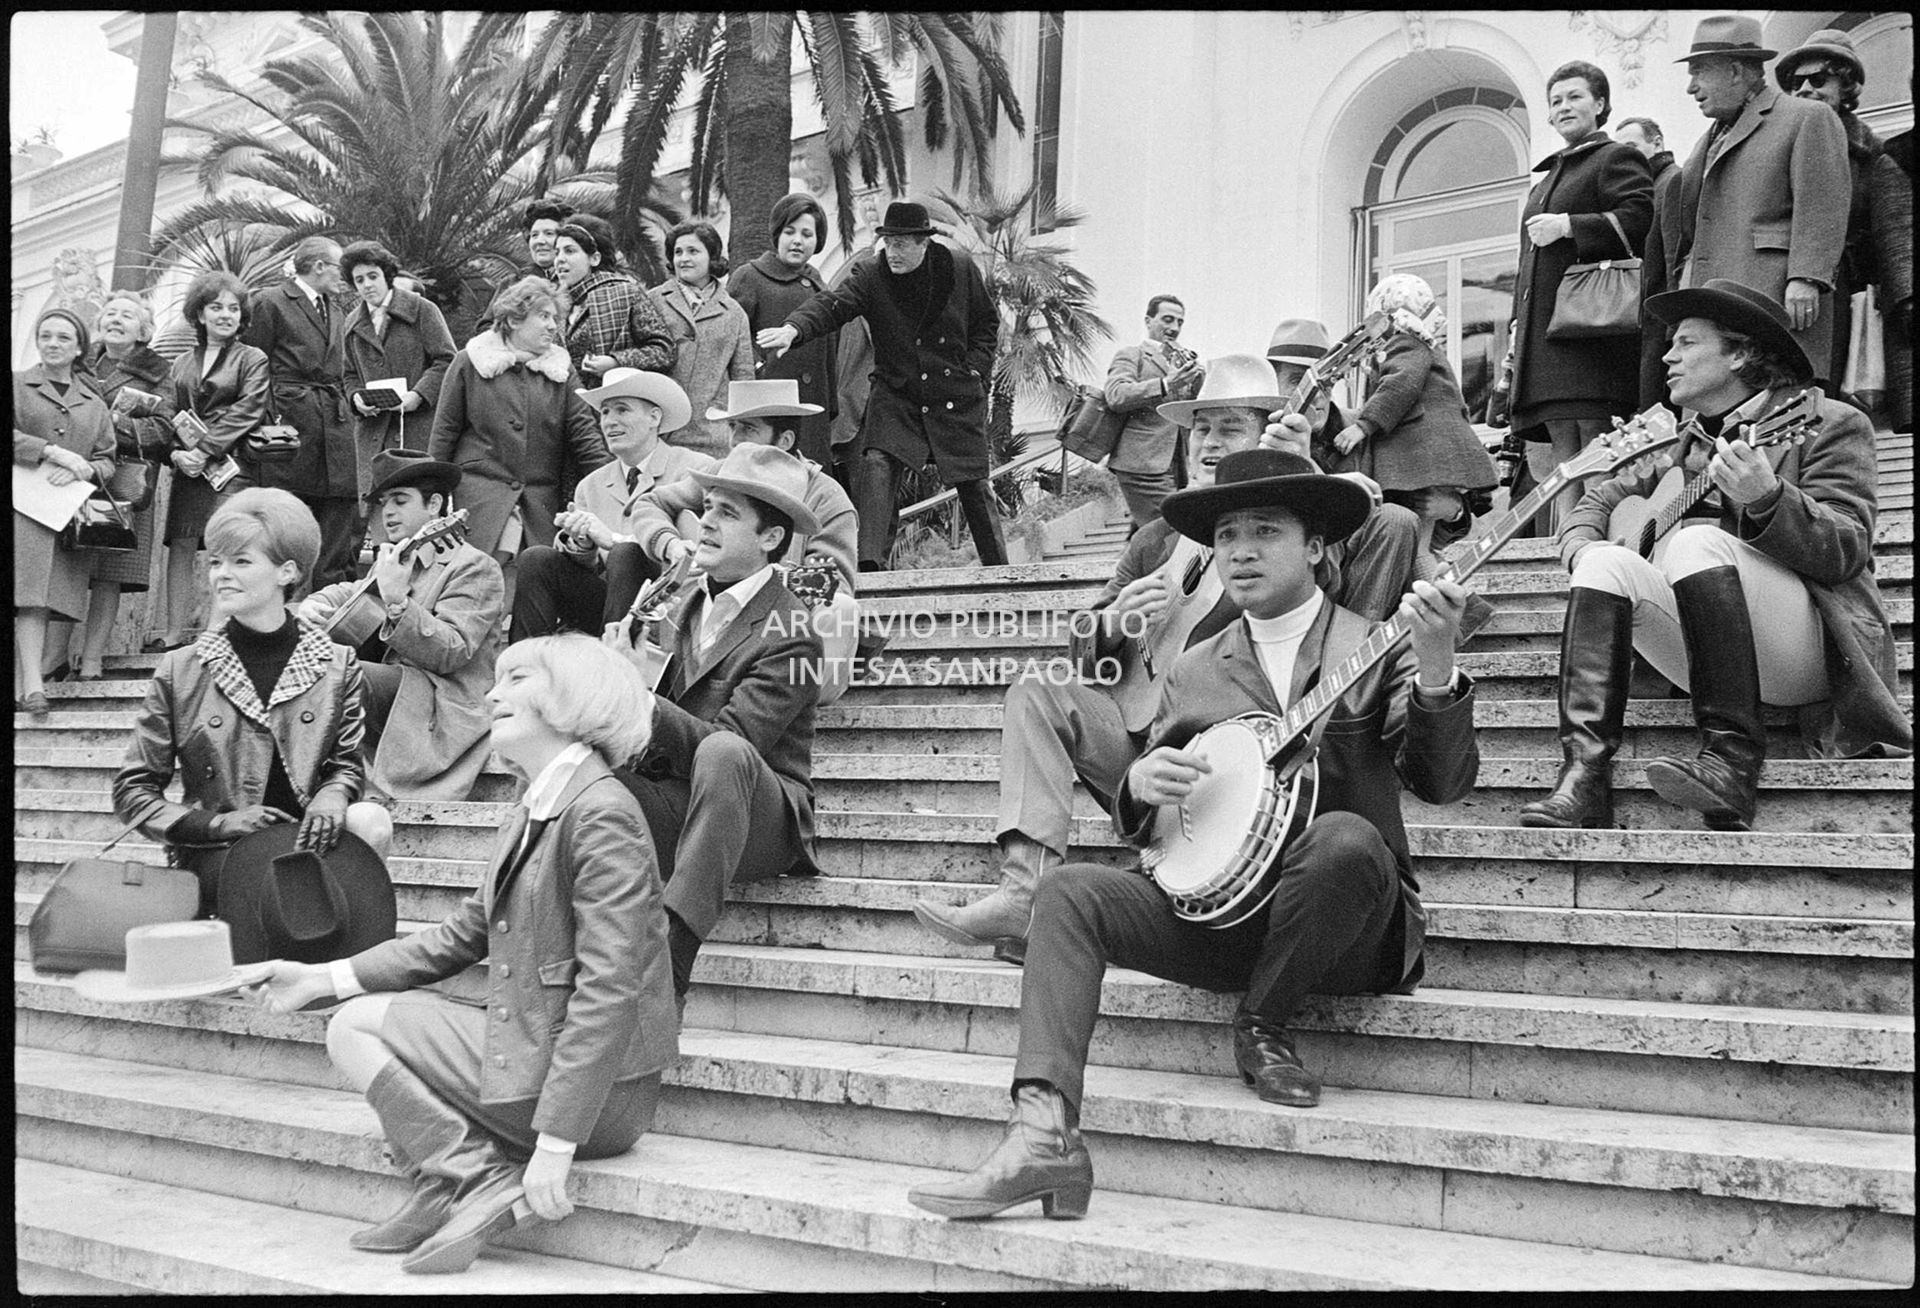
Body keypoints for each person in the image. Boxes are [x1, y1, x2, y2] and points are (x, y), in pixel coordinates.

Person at [906, 447, 1478, 1220]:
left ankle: (1262, 1022)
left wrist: (1438, 669)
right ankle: (1043, 1137)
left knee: (1344, 837)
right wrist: (1140, 791)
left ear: (1316, 547)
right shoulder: (1198, 665)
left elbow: (1442, 783)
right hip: (1224, 920)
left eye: (1266, 531)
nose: (1240, 550)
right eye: (1229, 534)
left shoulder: (1374, 643)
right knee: (1071, 892)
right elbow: (1165, 830)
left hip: (1345, 927)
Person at [914, 354, 1433, 958]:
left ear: (1268, 430)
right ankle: (1022, 894)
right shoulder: (1157, 537)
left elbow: (1340, 625)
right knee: (1035, 692)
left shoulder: (1306, 534)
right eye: (1201, 429)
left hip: (1244, 769)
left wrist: (1307, 472)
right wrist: (1113, 620)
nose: (1210, 444)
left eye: (1230, 428)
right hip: (1142, 747)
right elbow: (1086, 647)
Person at [253, 634, 678, 1275]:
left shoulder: (601, 812)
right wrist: (319, 977)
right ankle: (442, 1183)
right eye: (496, 680)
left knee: (357, 1027)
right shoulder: (538, 801)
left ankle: (471, 1176)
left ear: (575, 699)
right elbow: (460, 936)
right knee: (361, 1013)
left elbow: (610, 987)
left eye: (517, 679)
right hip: (547, 1059)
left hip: (600, 1098)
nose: (492, 693)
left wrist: (557, 1143)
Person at [1522, 280, 1911, 835]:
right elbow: (1595, 501)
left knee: (1692, 541)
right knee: (1605, 561)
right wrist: (1580, 546)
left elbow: (1847, 548)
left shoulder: (1827, 421)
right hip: (1701, 653)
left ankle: (1731, 762)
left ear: (1741, 352)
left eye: (1686, 342)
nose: (1667, 356)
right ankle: (1583, 775)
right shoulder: (1679, 443)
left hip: (1810, 654)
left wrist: (1769, 499)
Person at [605, 444, 826, 1006]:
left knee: (725, 753)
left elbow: (734, 744)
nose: (704, 521)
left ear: (770, 539)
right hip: (680, 799)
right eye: (708, 507)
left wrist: (638, 699)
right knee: (564, 759)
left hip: (759, 817)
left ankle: (672, 961)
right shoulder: (677, 601)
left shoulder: (793, 628)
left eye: (728, 513)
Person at [112, 488, 393, 919]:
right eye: (215, 562)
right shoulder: (180, 668)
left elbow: (347, 762)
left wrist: (334, 795)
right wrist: (218, 823)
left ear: (287, 571)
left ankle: (340, 948)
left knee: (371, 821)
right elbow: (133, 790)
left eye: (241, 561)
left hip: (309, 839)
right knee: (263, 876)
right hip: (221, 850)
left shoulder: (337, 664)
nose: (221, 575)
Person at [762, 200, 1008, 570]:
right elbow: (833, 304)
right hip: (898, 393)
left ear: (924, 243)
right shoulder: (871, 275)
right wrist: (793, 329)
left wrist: (975, 370)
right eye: (889, 243)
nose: (893, 252)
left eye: (903, 244)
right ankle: (870, 569)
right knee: (877, 463)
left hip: (954, 393)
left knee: (973, 483)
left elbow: (987, 325)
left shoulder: (959, 268)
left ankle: (999, 570)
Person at [1648, 16, 1849, 389]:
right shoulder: (1704, 142)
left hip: (1774, 304)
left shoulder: (1806, 117)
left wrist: (1807, 276)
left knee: (1778, 417)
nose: (1691, 88)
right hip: (1714, 317)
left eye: (1699, 73)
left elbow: (1823, 203)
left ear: (1736, 71)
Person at [298, 450, 505, 802]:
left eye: (400, 500)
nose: (388, 512)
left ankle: (329, 784)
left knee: (340, 671)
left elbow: (452, 652)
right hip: (394, 696)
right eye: (383, 502)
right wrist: (312, 604)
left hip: (441, 703)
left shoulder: (474, 567)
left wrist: (398, 604)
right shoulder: (396, 560)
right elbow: (347, 593)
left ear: (435, 504)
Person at [1507, 60, 1654, 534]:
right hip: (1545, 334)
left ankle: (1596, 536)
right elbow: (1528, 264)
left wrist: (1570, 226)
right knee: (1560, 445)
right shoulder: (1546, 178)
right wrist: (1515, 326)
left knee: (1596, 436)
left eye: (1574, 97)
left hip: (1591, 329)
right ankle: (1567, 538)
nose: (1563, 107)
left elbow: (1639, 218)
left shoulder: (1615, 157)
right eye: (1555, 101)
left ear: (1601, 105)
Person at [511, 369, 715, 642]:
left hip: (667, 607)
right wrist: (582, 544)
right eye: (605, 412)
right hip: (608, 606)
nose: (610, 422)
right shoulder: (591, 485)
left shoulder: (694, 468)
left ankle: (615, 663)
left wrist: (613, 540)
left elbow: (697, 555)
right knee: (536, 559)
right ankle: (527, 666)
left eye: (622, 410)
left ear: (654, 417)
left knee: (626, 552)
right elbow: (591, 570)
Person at [1775, 29, 1912, 430]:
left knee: (1834, 413)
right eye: (1797, 82)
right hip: (1781, 298)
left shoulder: (1875, 155)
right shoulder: (1778, 144)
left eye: (1818, 80)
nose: (1805, 90)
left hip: (1845, 303)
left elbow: (1891, 239)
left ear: (1846, 84)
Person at [428, 277, 609, 561]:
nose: (552, 325)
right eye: (543, 316)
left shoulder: (561, 371)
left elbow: (585, 437)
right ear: (513, 320)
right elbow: (443, 435)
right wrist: (431, 500)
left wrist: (616, 487)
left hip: (538, 508)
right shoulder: (469, 361)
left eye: (554, 318)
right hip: (478, 503)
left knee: (532, 588)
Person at [1339, 275, 1499, 587]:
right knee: (1421, 546)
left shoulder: (1405, 344)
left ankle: (1454, 611)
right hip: (1430, 455)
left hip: (1421, 456)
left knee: (1418, 549)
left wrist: (1363, 425)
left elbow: (1400, 384)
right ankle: (1457, 608)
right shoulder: (1422, 345)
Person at [630, 379, 858, 595]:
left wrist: (754, 579)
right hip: (701, 612)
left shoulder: (826, 498)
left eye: (748, 429)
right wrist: (670, 545)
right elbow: (649, 503)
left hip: (777, 626)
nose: (734, 440)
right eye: (732, 426)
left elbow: (833, 592)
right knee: (625, 556)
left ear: (785, 441)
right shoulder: (719, 473)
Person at [14, 308, 117, 715]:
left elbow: (109, 458)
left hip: (66, 511)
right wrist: (50, 452)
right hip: (23, 506)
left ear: (78, 348)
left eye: (62, 338)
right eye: (45, 336)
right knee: (28, 596)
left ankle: (28, 686)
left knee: (48, 599)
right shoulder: (19, 385)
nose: (52, 344)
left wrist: (85, 467)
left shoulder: (93, 403)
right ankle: (34, 687)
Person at [163, 272, 273, 651]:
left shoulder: (252, 358)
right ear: (200, 313)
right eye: (216, 307)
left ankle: (216, 628)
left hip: (234, 467)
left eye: (233, 308)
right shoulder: (180, 362)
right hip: (188, 468)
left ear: (242, 316)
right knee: (180, 543)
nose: (225, 314)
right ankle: (174, 632)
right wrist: (176, 453)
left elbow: (249, 409)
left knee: (225, 545)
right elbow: (168, 413)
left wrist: (205, 449)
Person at [245, 236, 360, 590]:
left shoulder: (337, 310)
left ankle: (330, 600)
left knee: (340, 505)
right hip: (289, 419)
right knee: (289, 511)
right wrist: (268, 419)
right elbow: (254, 364)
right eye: (340, 267)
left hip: (334, 419)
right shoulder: (271, 301)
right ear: (319, 266)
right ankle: (279, 601)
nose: (346, 277)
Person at [72, 292, 175, 681]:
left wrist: (112, 426)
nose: (116, 320)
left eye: (127, 316)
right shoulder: (78, 361)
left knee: (110, 570)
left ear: (143, 330)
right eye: (111, 313)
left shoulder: (157, 371)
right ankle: (53, 660)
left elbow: (164, 429)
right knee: (69, 566)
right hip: (74, 477)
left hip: (122, 481)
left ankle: (93, 661)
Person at [341, 241, 457, 514]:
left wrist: (418, 395)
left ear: (386, 275)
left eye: (373, 276)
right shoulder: (351, 323)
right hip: (374, 434)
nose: (367, 285)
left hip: (416, 428)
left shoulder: (422, 310)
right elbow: (348, 375)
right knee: (382, 514)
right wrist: (357, 399)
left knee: (419, 507)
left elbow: (447, 360)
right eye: (359, 280)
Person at [727, 192, 838, 469]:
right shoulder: (749, 277)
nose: (798, 240)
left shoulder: (819, 286)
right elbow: (731, 336)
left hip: (813, 411)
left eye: (807, 234)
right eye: (790, 232)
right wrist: (759, 366)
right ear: (777, 234)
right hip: (767, 407)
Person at [649, 220, 755, 461]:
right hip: (660, 433)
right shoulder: (653, 300)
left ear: (712, 257)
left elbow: (744, 378)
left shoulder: (734, 312)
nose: (684, 258)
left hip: (713, 436)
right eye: (678, 252)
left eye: (693, 251)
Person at [1103, 295, 1206, 529]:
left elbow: (1189, 410)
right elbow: (1116, 395)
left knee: (1154, 532)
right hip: (1142, 462)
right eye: (1167, 319)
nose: (1174, 328)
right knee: (1170, 529)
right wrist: (1166, 384)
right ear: (1148, 321)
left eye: (1179, 322)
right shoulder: (1132, 354)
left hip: (1175, 462)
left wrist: (1199, 381)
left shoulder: (1181, 360)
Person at [551, 213, 674, 388]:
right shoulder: (556, 303)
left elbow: (663, 351)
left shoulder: (626, 293)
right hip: (567, 408)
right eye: (557, 252)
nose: (559, 259)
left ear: (595, 258)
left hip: (613, 403)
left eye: (569, 251)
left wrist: (616, 362)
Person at [520, 197, 571, 283]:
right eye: (534, 235)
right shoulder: (512, 282)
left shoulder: (578, 281)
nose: (539, 241)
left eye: (549, 233)